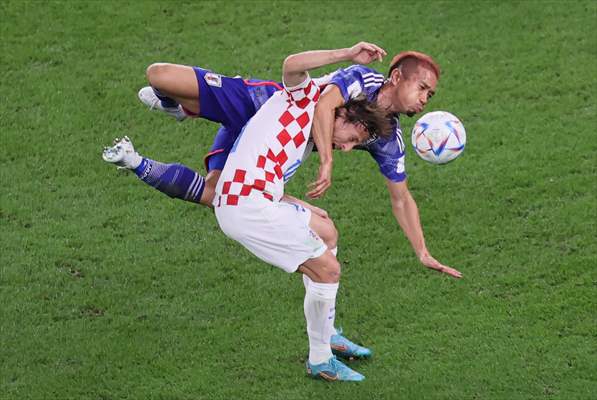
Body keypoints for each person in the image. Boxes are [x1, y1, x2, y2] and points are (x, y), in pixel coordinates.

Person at [102, 46, 393, 381]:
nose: (345, 148)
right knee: (328, 270)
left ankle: (328, 333)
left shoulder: (303, 139)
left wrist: (300, 203)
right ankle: (320, 359)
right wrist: (348, 54)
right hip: (246, 207)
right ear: (340, 115)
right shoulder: (305, 99)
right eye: (351, 138)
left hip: (255, 199)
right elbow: (292, 64)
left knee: (325, 229)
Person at [136, 44, 462, 279]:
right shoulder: (363, 80)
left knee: (218, 194)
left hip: (270, 146)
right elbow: (323, 106)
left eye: (429, 96)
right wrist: (327, 161)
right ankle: (178, 106)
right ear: (395, 77)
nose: (424, 99)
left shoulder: (388, 138)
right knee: (160, 77)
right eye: (421, 88)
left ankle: (142, 161)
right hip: (261, 106)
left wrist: (422, 251)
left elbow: (401, 198)